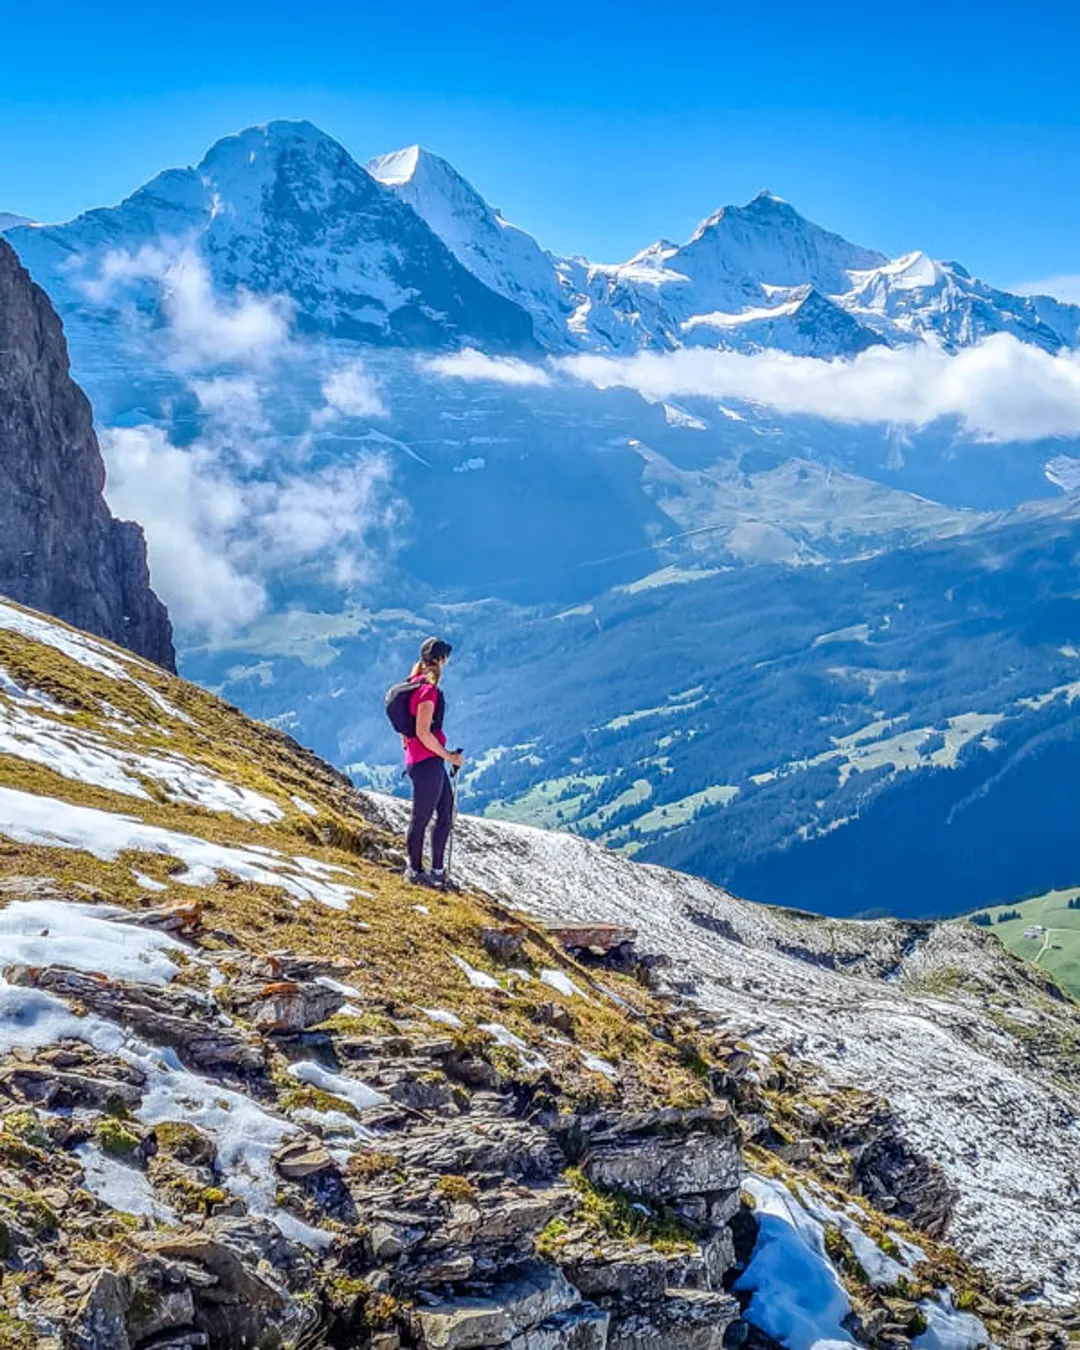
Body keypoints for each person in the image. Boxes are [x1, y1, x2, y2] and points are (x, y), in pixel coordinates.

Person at [402, 636, 463, 887]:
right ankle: (415, 872)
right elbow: (423, 731)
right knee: (422, 818)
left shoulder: (413, 684)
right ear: (440, 659)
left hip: (426, 760)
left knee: (445, 814)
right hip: (428, 762)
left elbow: (407, 730)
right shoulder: (427, 690)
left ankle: (437, 871)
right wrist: (450, 756)